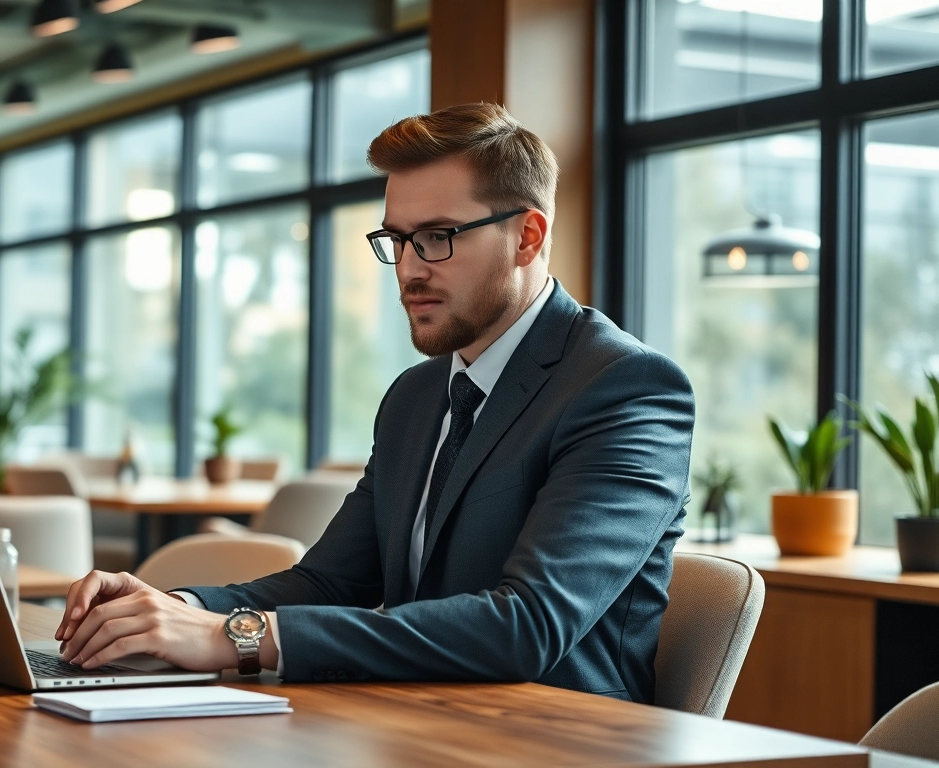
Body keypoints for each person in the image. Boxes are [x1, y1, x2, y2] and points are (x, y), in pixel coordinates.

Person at [55, 102, 695, 704]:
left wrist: (237, 638)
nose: (410, 269)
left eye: (438, 236)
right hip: (408, 718)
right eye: (398, 239)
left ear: (527, 237)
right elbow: (329, 583)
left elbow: (526, 627)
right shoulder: (416, 396)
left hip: (556, 740)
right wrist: (171, 612)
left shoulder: (626, 388)